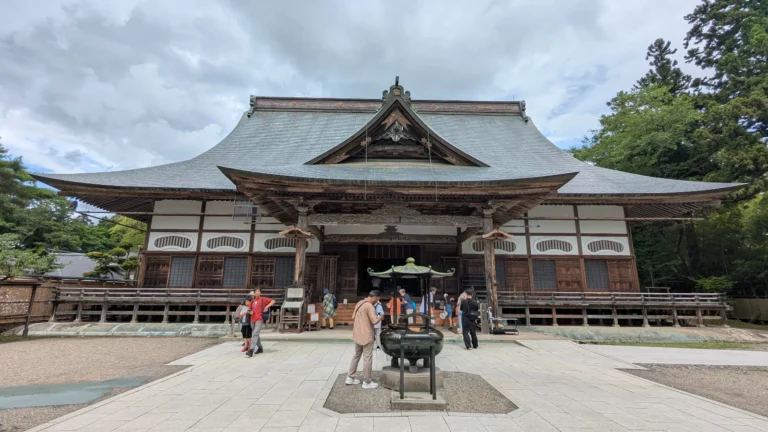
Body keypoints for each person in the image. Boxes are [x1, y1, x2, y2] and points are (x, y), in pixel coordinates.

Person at [347, 290, 384, 389]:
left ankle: (350, 377)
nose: (377, 302)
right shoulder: (369, 306)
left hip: (357, 334)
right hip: (367, 335)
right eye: (377, 299)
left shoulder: (359, 303)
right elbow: (374, 321)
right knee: (367, 358)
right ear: (374, 297)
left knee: (356, 356)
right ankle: (367, 381)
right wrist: (381, 317)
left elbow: (353, 316)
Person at [246, 288, 275, 357]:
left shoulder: (263, 299)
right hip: (252, 319)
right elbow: (248, 310)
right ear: (254, 293)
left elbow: (273, 301)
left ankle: (251, 350)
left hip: (259, 319)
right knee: (255, 334)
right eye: (256, 291)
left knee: (255, 333)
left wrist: (267, 306)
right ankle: (260, 347)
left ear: (260, 293)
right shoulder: (252, 301)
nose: (257, 293)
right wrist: (250, 312)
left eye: (258, 291)